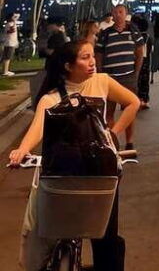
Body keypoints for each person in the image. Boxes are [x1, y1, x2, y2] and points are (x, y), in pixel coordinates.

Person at [10, 40, 139, 271]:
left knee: (106, 238)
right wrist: (22, 150)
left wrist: (112, 133)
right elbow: (37, 128)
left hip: (102, 174)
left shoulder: (102, 82)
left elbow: (133, 102)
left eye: (92, 56)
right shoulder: (51, 98)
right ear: (69, 66)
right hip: (65, 176)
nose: (92, 62)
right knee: (53, 230)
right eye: (85, 57)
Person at [95, 5, 145, 153]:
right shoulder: (106, 34)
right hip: (110, 78)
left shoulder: (133, 31)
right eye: (115, 13)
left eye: (121, 12)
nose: (118, 15)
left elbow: (140, 53)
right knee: (109, 112)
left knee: (130, 110)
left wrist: (136, 73)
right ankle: (112, 140)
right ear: (112, 15)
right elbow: (99, 55)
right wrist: (101, 73)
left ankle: (129, 142)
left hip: (128, 77)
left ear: (126, 14)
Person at [131, 14, 152, 110]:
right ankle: (145, 100)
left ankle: (136, 100)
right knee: (145, 80)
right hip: (146, 61)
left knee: (136, 80)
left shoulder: (136, 36)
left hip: (136, 61)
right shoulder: (148, 37)